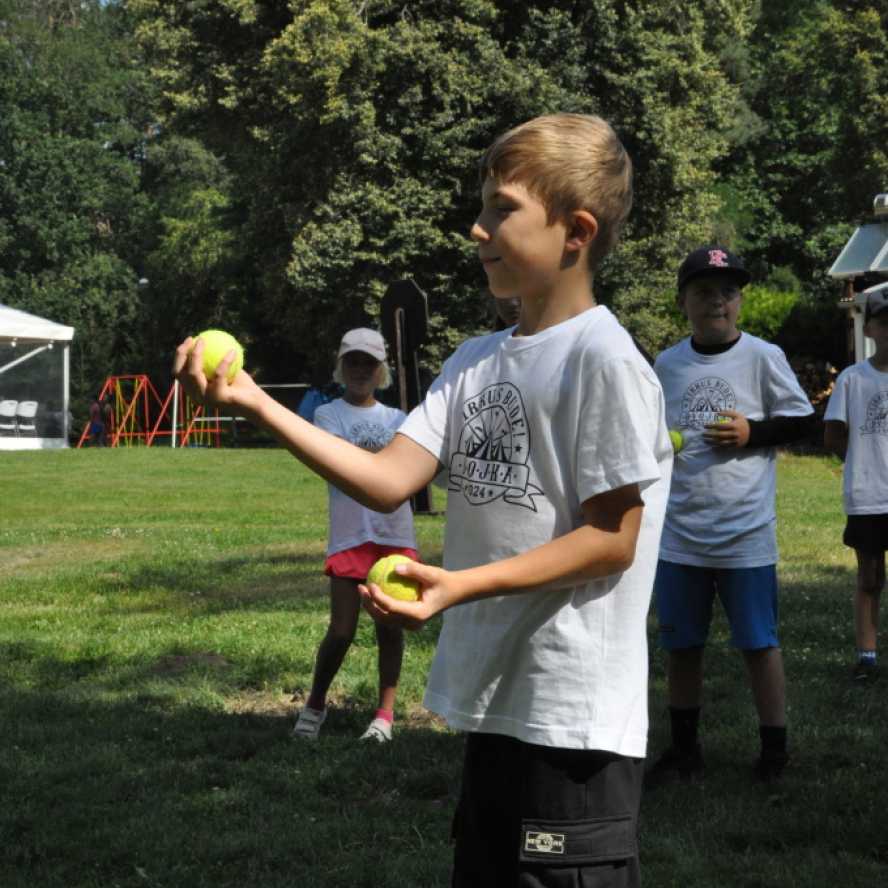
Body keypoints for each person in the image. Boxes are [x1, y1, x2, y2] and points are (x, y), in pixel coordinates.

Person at [174, 112, 672, 887]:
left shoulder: (605, 362)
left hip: (574, 724)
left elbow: (612, 539)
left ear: (575, 231)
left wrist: (458, 586)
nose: (476, 229)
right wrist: (255, 404)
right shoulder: (474, 363)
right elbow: (388, 476)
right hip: (497, 705)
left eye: (500, 208)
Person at [648, 246, 814, 786]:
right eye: (703, 291)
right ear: (683, 303)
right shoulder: (667, 364)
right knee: (681, 645)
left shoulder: (763, 356)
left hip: (745, 533)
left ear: (739, 302)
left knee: (759, 643)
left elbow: (801, 421)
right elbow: (650, 434)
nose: (716, 300)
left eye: (727, 291)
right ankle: (684, 749)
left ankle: (774, 752)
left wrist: (752, 433)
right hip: (680, 533)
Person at [293, 328, 419, 742]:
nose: (361, 369)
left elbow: (405, 471)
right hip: (352, 535)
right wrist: (384, 464)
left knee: (390, 629)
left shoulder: (398, 420)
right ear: (341, 366)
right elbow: (339, 463)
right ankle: (315, 703)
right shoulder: (328, 415)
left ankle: (384, 715)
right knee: (342, 630)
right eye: (353, 361)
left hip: (394, 532)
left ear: (382, 369)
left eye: (369, 362)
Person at [823, 280, 888, 681]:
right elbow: (833, 433)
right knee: (869, 578)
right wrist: (862, 463)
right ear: (869, 330)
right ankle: (867, 657)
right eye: (884, 322)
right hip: (868, 496)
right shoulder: (852, 378)